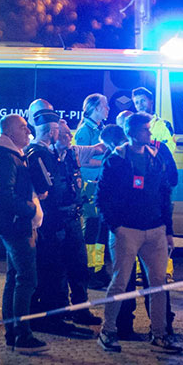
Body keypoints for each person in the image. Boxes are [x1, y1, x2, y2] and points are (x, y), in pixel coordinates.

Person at [95, 113, 182, 354]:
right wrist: (116, 227)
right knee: (120, 283)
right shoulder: (116, 160)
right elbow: (101, 197)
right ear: (131, 133)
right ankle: (107, 331)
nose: (150, 133)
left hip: (155, 230)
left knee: (158, 285)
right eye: (145, 129)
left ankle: (159, 334)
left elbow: (164, 195)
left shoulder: (155, 158)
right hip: (127, 231)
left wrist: (168, 230)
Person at [25, 108, 97, 336]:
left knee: (79, 267)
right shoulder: (42, 155)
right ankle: (57, 317)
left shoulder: (69, 156)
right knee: (55, 271)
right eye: (64, 133)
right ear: (53, 133)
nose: (68, 137)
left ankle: (79, 310)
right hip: (54, 221)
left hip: (72, 218)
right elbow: (47, 191)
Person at [0, 114, 47, 353]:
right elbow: (4, 195)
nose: (28, 131)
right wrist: (30, 209)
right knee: (27, 279)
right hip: (16, 226)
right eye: (22, 127)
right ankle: (22, 335)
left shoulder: (13, 154)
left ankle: (13, 332)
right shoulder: (5, 158)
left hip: (16, 224)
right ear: (8, 132)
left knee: (14, 278)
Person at [75, 93, 110, 287]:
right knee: (91, 227)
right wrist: (106, 163)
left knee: (100, 229)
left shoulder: (100, 128)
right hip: (89, 185)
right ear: (95, 108)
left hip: (99, 184)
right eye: (105, 106)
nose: (108, 109)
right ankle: (88, 270)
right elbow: (82, 160)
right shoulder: (84, 131)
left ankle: (98, 268)